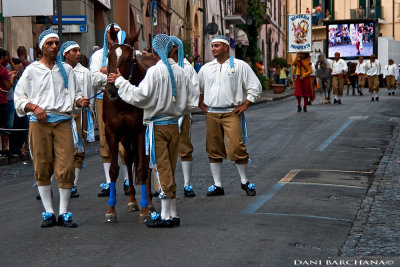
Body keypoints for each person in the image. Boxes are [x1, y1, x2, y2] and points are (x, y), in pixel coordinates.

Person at [108, 34, 199, 228]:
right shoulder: (181, 72)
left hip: (158, 126)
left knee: (161, 167)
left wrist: (120, 82)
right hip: (175, 124)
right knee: (171, 168)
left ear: (156, 52)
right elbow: (193, 100)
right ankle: (172, 211)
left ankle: (166, 215)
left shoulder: (155, 72)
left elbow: (140, 96)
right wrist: (178, 110)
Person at [14, 29, 89, 227]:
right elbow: (19, 98)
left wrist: (80, 100)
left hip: (63, 121)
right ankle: (49, 212)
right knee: (42, 164)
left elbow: (74, 96)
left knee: (66, 165)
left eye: (57, 43)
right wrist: (34, 107)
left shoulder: (67, 70)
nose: (55, 46)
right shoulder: (31, 71)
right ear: (41, 48)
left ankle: (64, 212)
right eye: (50, 43)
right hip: (39, 123)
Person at [198, 35, 261, 197]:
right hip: (212, 113)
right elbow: (196, 88)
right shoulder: (206, 68)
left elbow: (255, 86)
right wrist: (200, 103)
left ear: (226, 47)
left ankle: (244, 181)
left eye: (216, 46)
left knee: (236, 147)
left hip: (231, 113)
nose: (213, 49)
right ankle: (217, 185)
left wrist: (245, 104)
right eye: (212, 46)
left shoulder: (240, 66)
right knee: (213, 149)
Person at [90, 23, 131, 197]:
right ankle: (109, 181)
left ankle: (128, 178)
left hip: (127, 99)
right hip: (103, 99)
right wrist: (111, 74)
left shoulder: (126, 52)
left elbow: (128, 73)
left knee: (126, 142)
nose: (112, 36)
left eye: (115, 33)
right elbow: (94, 78)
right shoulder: (98, 55)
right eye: (110, 33)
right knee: (106, 142)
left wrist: (108, 71)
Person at [61, 41, 94, 198]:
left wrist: (87, 107)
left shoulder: (85, 72)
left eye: (79, 50)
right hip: (63, 114)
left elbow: (87, 92)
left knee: (78, 150)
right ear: (66, 54)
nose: (78, 53)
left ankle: (73, 183)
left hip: (80, 114)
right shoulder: (58, 70)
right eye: (74, 50)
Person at [169, 36, 200, 198]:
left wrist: (184, 108)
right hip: (164, 115)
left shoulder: (187, 68)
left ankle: (187, 184)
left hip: (182, 114)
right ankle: (164, 184)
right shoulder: (161, 67)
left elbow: (194, 91)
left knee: (184, 147)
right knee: (163, 150)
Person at [0, 48, 17, 158]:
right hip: (2, 100)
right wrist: (12, 77)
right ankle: (4, 150)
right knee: (3, 125)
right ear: (1, 58)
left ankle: (4, 149)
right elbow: (8, 86)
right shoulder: (2, 69)